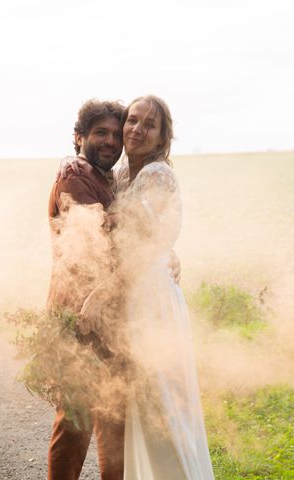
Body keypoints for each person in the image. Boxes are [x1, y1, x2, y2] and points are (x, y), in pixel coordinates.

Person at [67, 95, 214, 479]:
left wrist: (102, 292)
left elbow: (149, 245)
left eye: (149, 124)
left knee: (160, 405)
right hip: (130, 301)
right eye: (132, 120)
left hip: (153, 304)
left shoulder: (157, 175)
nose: (136, 129)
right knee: (135, 411)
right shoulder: (119, 176)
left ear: (163, 136)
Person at [46, 99, 126, 480]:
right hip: (80, 314)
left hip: (110, 314)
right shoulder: (76, 178)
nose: (110, 141)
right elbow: (104, 242)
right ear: (79, 137)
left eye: (116, 134)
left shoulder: (104, 176)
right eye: (100, 133)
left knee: (114, 421)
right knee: (76, 424)